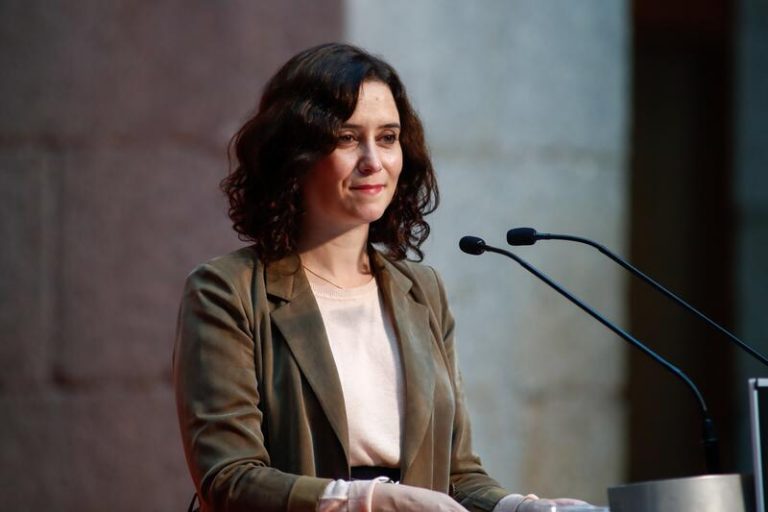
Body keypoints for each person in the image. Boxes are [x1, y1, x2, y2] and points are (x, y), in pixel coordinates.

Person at [173, 43, 588, 512]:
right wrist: (368, 500)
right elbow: (228, 477)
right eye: (347, 138)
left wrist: (522, 508)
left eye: (388, 137)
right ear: (295, 154)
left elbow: (457, 476)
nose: (374, 160)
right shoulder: (226, 290)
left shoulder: (422, 291)